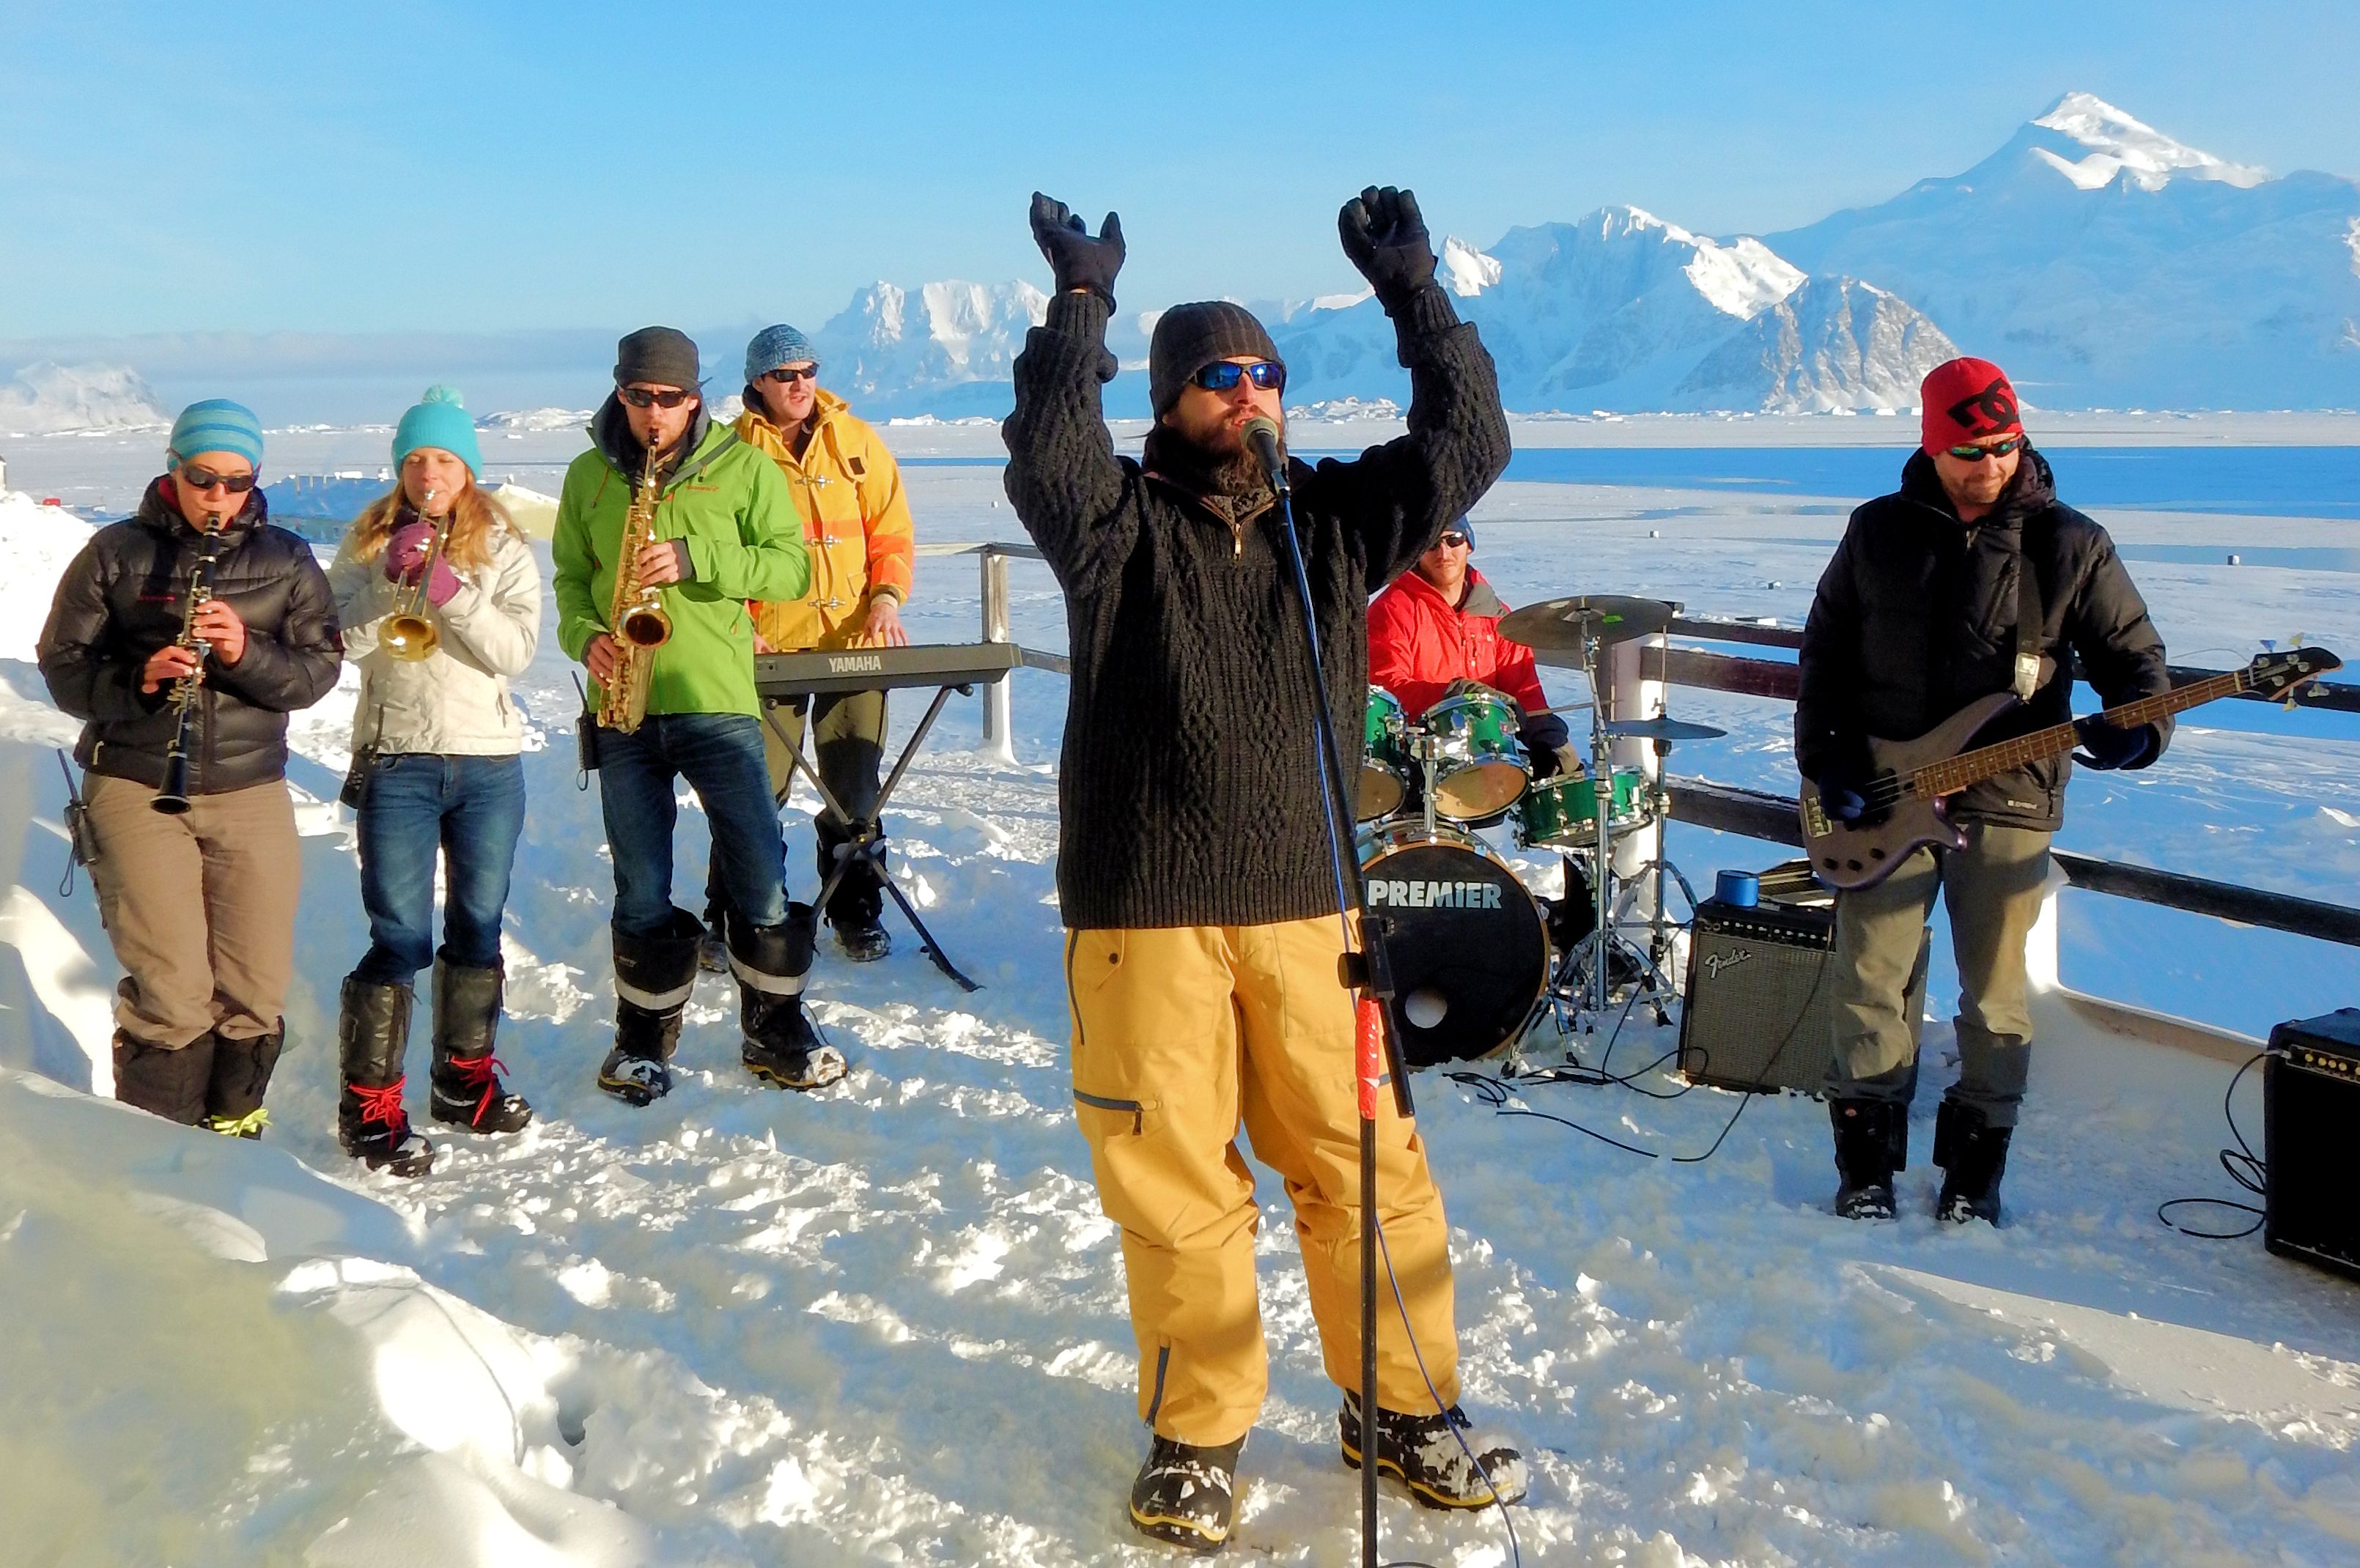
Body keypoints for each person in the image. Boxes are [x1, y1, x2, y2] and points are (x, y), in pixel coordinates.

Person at [1005, 185, 1528, 1554]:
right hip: (1146, 907)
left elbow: (1470, 442)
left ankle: (1404, 1407)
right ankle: (1198, 1434)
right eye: (1220, 378)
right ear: (1172, 400)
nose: (1250, 396)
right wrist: (1080, 303)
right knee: (1175, 1180)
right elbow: (1047, 451)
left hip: (1311, 901)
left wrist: (1415, 291)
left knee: (1366, 1164)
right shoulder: (1114, 527)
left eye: (1267, 375)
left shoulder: (1333, 522)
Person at [1796, 356, 2172, 1224]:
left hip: (2010, 795)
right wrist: (1828, 759)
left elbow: (2134, 660)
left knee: (1996, 993)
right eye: (1968, 451)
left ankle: (1973, 1176)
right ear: (1931, 446)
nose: (1990, 465)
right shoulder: (1875, 531)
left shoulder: (2069, 543)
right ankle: (1865, 1169)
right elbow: (1825, 650)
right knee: (1868, 977)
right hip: (1883, 793)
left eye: (2004, 446)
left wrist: (2140, 729)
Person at [552, 327, 844, 1103]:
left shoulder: (743, 467)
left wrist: (695, 559)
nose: (654, 412)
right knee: (641, 883)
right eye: (639, 396)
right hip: (625, 709)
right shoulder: (588, 475)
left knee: (760, 874)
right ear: (620, 393)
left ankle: (776, 1029)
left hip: (716, 701)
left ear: (695, 399)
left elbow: (790, 569)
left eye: (671, 398)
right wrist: (585, 636)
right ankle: (641, 1040)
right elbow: (571, 580)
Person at [37, 400, 341, 1134]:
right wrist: (138, 680)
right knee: (173, 991)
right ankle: (165, 1158)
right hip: (137, 781)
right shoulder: (115, 552)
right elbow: (63, 665)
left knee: (254, 987)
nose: (219, 496)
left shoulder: (287, 559)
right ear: (173, 469)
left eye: (238, 482)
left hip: (249, 786)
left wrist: (243, 651)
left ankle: (232, 1134)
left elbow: (316, 671)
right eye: (203, 478)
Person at [327, 387, 541, 1177]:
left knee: (478, 926)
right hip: (398, 760)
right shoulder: (365, 542)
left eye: (444, 459)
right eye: (416, 459)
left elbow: (516, 653)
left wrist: (451, 590)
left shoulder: (505, 546)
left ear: (467, 468)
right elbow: (334, 642)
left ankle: (462, 1082)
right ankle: (369, 1108)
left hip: (487, 762)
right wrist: (390, 584)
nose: (429, 474)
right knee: (398, 936)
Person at [700, 323, 916, 967]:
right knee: (753, 792)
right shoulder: (729, 450)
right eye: (785, 375)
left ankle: (855, 913)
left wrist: (886, 599)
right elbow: (716, 548)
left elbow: (891, 532)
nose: (800, 385)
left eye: (809, 371)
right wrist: (739, 623)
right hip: (766, 649)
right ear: (758, 382)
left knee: (856, 792)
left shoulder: (857, 441)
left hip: (855, 640)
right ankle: (734, 914)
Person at [1366, 518, 1579, 779]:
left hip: (1491, 760)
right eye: (1431, 543)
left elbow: (1524, 691)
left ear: (1468, 544)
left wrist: (1549, 737)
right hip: (1419, 764)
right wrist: (1456, 694)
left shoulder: (1497, 616)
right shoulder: (1392, 611)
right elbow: (1384, 690)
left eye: (1453, 540)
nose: (1444, 553)